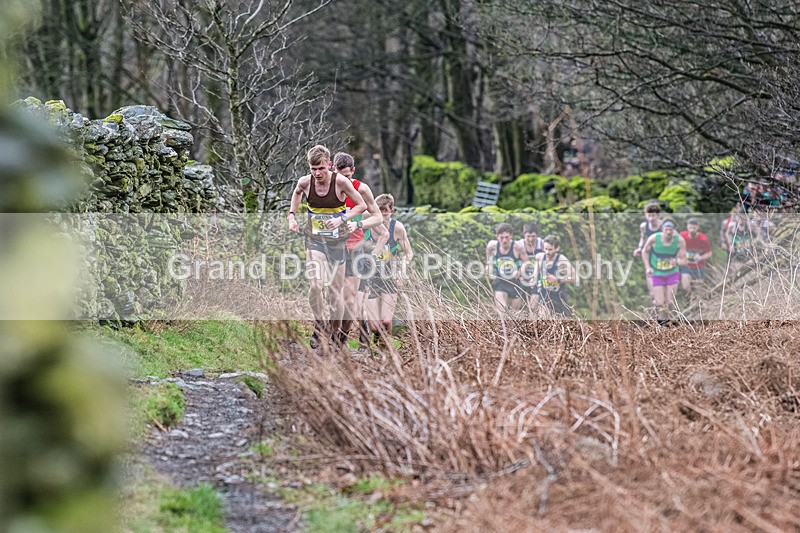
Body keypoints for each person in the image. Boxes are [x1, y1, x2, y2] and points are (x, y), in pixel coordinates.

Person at [287, 144, 366, 350]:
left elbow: (361, 205)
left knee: (334, 293)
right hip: (315, 240)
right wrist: (292, 217)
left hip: (338, 242)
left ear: (329, 165)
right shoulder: (305, 182)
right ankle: (319, 323)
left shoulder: (340, 181)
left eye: (321, 168)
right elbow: (296, 194)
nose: (317, 173)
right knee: (315, 285)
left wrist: (342, 219)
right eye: (313, 169)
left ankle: (336, 336)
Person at [332, 152, 388, 347]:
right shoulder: (324, 186)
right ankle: (326, 333)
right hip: (328, 247)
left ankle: (340, 340)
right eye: (340, 176)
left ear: (353, 172)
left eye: (347, 177)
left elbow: (378, 218)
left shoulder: (361, 189)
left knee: (348, 299)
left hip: (353, 247)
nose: (344, 181)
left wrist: (358, 225)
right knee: (330, 295)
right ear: (333, 169)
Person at [364, 194, 413, 345]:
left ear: (391, 211)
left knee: (386, 321)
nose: (382, 214)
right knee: (374, 326)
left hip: (389, 277)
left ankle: (386, 354)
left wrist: (401, 270)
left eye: (385, 210)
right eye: (379, 210)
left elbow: (409, 253)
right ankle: (377, 338)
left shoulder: (397, 228)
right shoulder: (367, 225)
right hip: (369, 278)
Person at [642, 219, 687, 322]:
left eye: (670, 230)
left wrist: (676, 261)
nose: (668, 232)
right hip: (657, 273)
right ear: (662, 229)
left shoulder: (679, 241)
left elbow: (684, 260)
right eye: (666, 229)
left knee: (670, 302)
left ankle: (669, 323)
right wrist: (647, 267)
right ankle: (656, 321)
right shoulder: (654, 238)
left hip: (672, 273)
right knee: (659, 302)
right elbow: (644, 251)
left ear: (674, 230)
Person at [486, 223, 529, 315]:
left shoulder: (518, 247)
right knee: (502, 310)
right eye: (501, 237)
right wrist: (488, 267)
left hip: (515, 283)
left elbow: (527, 263)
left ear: (511, 236)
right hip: (500, 281)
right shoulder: (491, 246)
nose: (504, 240)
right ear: (497, 236)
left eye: (507, 237)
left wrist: (520, 271)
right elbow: (489, 261)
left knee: (514, 314)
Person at [533, 235, 574, 317]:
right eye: (545, 249)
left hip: (558, 296)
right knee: (543, 318)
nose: (547, 252)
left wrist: (557, 280)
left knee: (559, 321)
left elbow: (574, 278)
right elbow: (534, 276)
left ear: (557, 248)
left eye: (550, 249)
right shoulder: (539, 257)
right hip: (544, 294)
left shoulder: (562, 260)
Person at [633, 202, 663, 302]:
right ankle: (654, 304)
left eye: (653, 215)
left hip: (662, 256)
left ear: (658, 215)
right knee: (650, 281)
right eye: (649, 215)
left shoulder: (663, 226)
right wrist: (639, 248)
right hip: (650, 255)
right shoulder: (644, 226)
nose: (651, 218)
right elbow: (643, 238)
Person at [679, 217, 712, 295]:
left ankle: (697, 305)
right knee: (686, 287)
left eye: (694, 228)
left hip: (699, 266)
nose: (692, 230)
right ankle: (687, 303)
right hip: (686, 266)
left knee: (698, 291)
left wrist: (701, 257)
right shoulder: (682, 236)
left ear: (697, 227)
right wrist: (680, 258)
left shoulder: (703, 238)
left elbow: (709, 253)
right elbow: (676, 248)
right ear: (687, 227)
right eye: (690, 227)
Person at [518, 222, 544, 314]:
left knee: (533, 305)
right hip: (523, 276)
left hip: (537, 277)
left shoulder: (542, 244)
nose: (530, 239)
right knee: (523, 305)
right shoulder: (519, 244)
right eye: (528, 236)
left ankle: (533, 321)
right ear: (524, 235)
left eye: (533, 236)